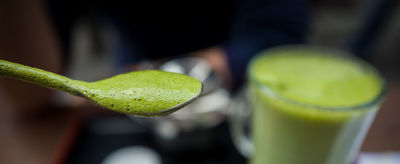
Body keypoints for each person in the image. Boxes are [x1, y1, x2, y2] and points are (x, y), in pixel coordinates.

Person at [0, 0, 309, 117]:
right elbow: (32, 95)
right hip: (130, 74)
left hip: (240, 91)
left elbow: (277, 36)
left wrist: (177, 74)